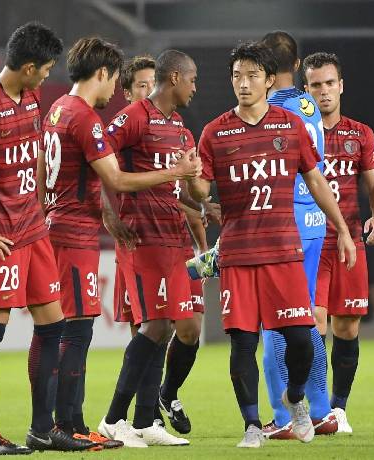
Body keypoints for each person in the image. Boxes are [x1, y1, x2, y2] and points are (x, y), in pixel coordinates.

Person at [187, 41, 356, 448]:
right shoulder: (215, 131)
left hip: (284, 251)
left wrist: (344, 230)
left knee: (302, 339)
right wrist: (188, 177)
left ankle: (296, 398)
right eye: (236, 76)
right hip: (240, 253)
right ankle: (251, 424)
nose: (243, 84)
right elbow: (200, 190)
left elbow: (316, 180)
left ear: (267, 79)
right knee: (242, 341)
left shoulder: (290, 124)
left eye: (251, 76)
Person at [0, 22, 99, 454]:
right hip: (2, 238)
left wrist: (44, 199)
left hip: (35, 233)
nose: (48, 76)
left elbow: (33, 157)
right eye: (46, 69)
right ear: (28, 67)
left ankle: (42, 429)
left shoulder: (30, 98)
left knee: (53, 326)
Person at [37, 37, 199, 449]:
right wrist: (168, 175)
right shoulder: (87, 117)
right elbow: (117, 180)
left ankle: (70, 423)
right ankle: (70, 425)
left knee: (65, 330)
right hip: (81, 233)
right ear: (104, 74)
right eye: (118, 81)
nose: (118, 94)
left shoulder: (56, 109)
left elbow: (42, 167)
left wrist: (42, 211)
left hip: (65, 227)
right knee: (76, 332)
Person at [107, 54, 217, 435]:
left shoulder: (181, 130)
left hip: (175, 238)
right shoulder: (134, 117)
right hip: (144, 237)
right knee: (154, 325)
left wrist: (203, 198)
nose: (195, 87)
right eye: (193, 79)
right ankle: (113, 419)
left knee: (173, 328)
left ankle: (146, 420)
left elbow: (183, 187)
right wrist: (108, 215)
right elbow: (96, 163)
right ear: (175, 78)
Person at [303, 51, 374, 433]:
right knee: (314, 322)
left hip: (349, 240)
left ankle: (337, 408)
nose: (323, 91)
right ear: (306, 89)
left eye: (328, 83)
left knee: (348, 328)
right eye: (315, 85)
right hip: (310, 241)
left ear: (341, 86)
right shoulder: (296, 132)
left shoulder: (361, 134)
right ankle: (316, 406)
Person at [258, 31, 337, 440]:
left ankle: (284, 415)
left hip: (280, 225)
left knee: (275, 322)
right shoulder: (308, 105)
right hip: (313, 221)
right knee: (304, 317)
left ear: (265, 71)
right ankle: (322, 409)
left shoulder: (263, 111)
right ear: (296, 64)